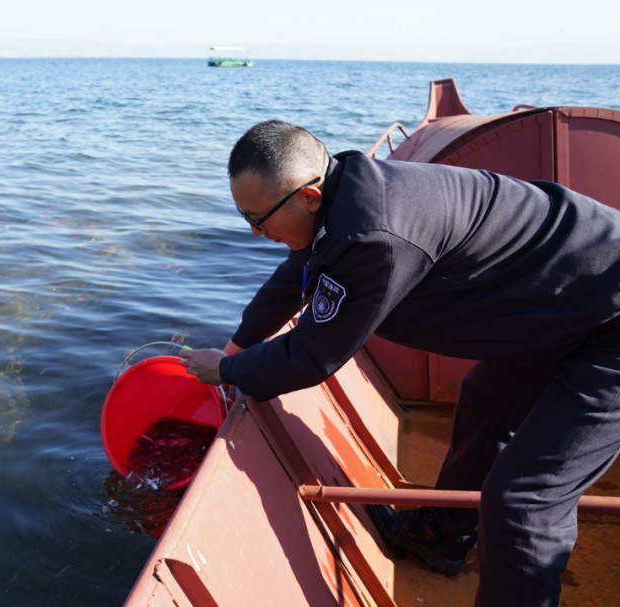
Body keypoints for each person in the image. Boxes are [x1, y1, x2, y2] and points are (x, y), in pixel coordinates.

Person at [178, 120, 620, 607]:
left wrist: (226, 372)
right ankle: (441, 537)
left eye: (258, 219)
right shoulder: (343, 195)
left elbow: (311, 355)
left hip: (609, 321)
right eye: (246, 218)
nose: (257, 233)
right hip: (561, 307)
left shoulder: (374, 235)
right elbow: (295, 275)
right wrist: (238, 348)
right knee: (484, 399)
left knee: (522, 501)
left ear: (307, 196)